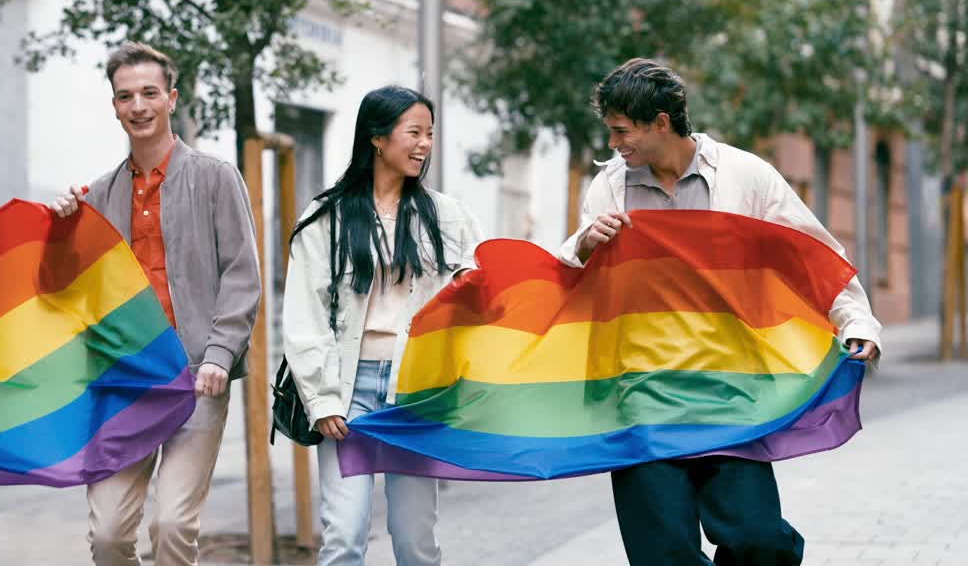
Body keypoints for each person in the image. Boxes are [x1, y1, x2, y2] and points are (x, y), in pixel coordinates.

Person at [558, 58, 882, 566]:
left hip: (729, 388)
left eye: (621, 132)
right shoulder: (610, 186)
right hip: (644, 393)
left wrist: (857, 322)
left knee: (760, 540)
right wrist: (583, 244)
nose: (614, 144)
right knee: (662, 553)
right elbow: (575, 278)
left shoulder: (744, 175)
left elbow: (811, 255)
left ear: (660, 122)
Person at [49, 42, 261, 566]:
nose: (138, 106)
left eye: (149, 93)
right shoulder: (96, 196)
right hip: (123, 383)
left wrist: (219, 354)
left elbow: (241, 272)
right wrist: (56, 230)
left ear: (171, 97)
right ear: (114, 107)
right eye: (126, 97)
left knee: (171, 526)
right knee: (111, 538)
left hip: (195, 378)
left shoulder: (215, 177)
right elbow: (64, 288)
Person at [280, 86, 483, 566]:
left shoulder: (447, 217)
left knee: (415, 541)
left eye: (429, 134)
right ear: (377, 137)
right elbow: (303, 316)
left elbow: (478, 294)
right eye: (414, 132)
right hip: (347, 392)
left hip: (414, 391)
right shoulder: (326, 217)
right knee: (344, 537)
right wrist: (322, 397)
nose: (424, 144)